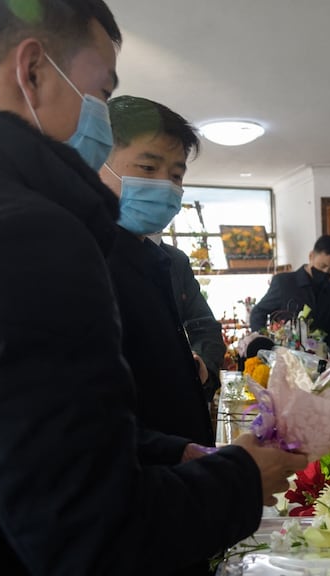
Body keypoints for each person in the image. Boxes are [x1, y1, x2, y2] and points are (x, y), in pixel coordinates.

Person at [0, 2, 307, 573]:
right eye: (99, 90)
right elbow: (94, 536)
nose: (100, 115)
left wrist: (170, 451)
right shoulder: (26, 233)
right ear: (33, 71)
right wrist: (246, 475)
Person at [98, 95, 220, 464]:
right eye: (148, 168)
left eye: (177, 175)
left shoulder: (158, 261)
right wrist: (176, 452)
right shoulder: (83, 263)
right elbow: (82, 413)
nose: (165, 186)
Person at [249, 235, 330, 357]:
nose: (326, 272)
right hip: (286, 358)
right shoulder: (284, 283)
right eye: (323, 266)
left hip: (319, 359)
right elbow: (258, 312)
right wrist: (264, 345)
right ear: (311, 256)